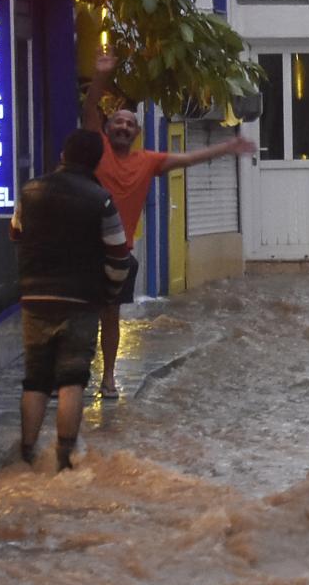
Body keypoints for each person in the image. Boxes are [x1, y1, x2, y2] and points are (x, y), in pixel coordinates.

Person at [81, 53, 253, 401]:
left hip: (118, 254)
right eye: (118, 122)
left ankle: (108, 377)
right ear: (108, 127)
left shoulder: (148, 161)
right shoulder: (97, 149)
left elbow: (189, 159)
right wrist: (100, 76)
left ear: (137, 132)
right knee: (80, 315)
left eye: (130, 124)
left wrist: (228, 146)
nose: (124, 127)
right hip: (83, 250)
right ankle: (74, 373)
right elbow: (88, 111)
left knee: (110, 316)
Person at [10, 128, 132, 471]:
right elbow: (119, 256)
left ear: (63, 155)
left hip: (35, 299)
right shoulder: (101, 199)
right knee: (72, 378)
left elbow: (16, 234)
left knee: (35, 379)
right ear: (96, 161)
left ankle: (27, 454)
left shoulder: (30, 191)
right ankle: (64, 458)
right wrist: (108, 293)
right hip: (81, 301)